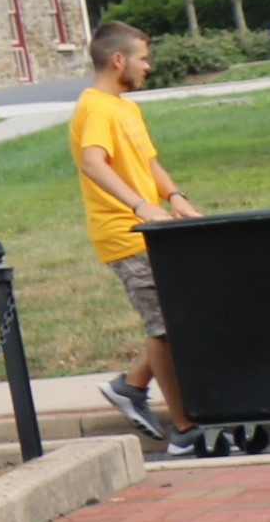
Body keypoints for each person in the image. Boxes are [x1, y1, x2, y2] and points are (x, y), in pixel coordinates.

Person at [72, 22, 205, 451]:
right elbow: (93, 163)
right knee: (165, 328)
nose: (147, 66)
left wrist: (175, 196)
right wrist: (140, 206)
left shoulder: (126, 108)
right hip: (125, 233)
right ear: (118, 60)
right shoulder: (94, 108)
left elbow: (148, 163)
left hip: (152, 231)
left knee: (180, 317)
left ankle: (132, 387)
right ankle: (184, 431)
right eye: (143, 58)